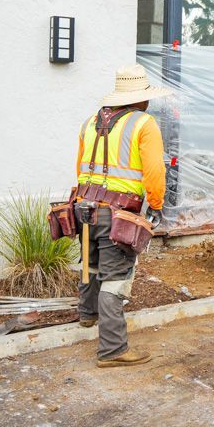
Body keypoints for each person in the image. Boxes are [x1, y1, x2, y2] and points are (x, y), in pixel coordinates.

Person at [73, 64, 170, 367]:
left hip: (84, 207)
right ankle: (113, 349)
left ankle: (87, 315)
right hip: (117, 212)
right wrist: (155, 205)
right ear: (140, 98)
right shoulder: (144, 123)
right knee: (115, 278)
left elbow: (80, 167)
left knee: (90, 264)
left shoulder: (91, 121)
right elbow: (154, 170)